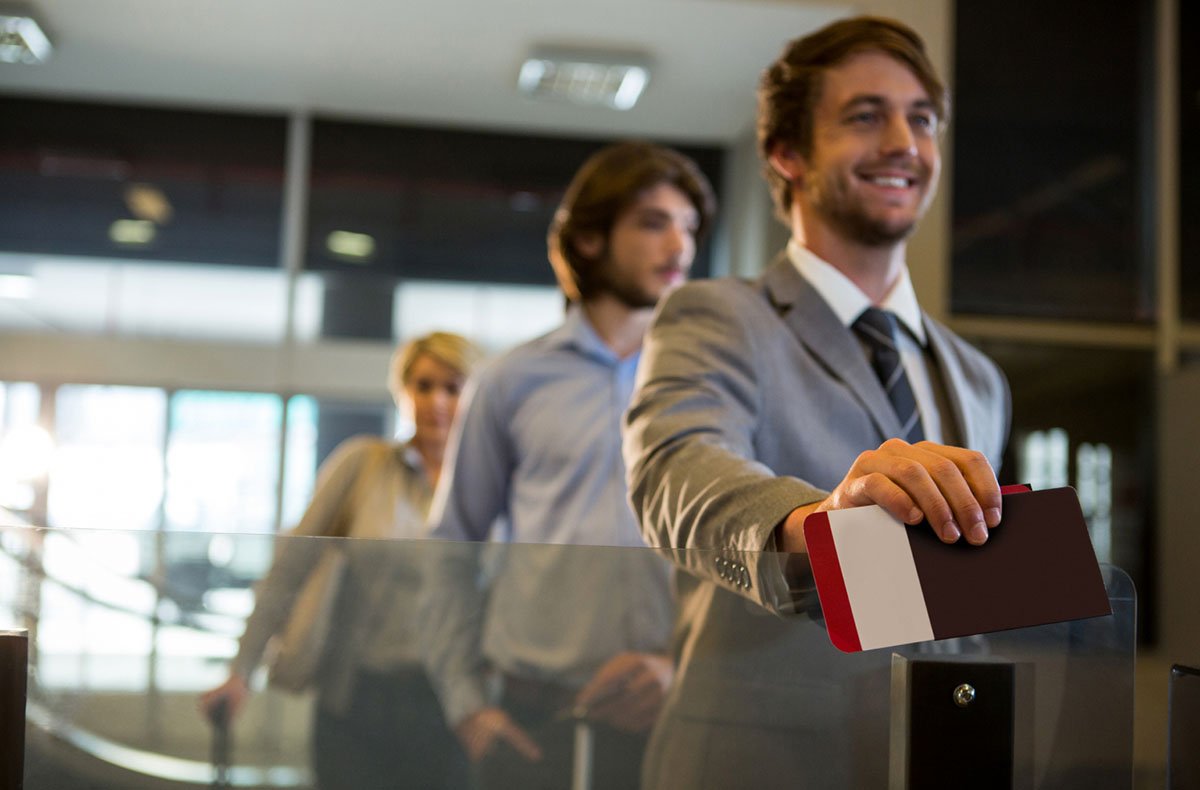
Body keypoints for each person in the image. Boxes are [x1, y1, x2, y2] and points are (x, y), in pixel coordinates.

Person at [622, 17, 1010, 788]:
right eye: (866, 116)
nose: (904, 141)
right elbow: (674, 470)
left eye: (921, 119)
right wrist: (819, 525)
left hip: (934, 755)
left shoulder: (977, 377)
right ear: (787, 153)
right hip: (757, 763)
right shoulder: (717, 315)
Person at [419, 141, 716, 790]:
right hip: (535, 723)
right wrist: (468, 708)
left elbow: (737, 549)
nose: (680, 246)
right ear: (588, 239)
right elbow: (450, 547)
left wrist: (681, 665)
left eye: (688, 226)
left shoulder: (710, 382)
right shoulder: (510, 381)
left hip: (678, 710)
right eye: (653, 222)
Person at [199, 331, 481, 790]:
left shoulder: (484, 484)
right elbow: (289, 570)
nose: (437, 402)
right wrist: (240, 671)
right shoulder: (362, 465)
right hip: (357, 700)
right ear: (403, 390)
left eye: (453, 387)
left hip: (454, 706)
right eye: (424, 386)